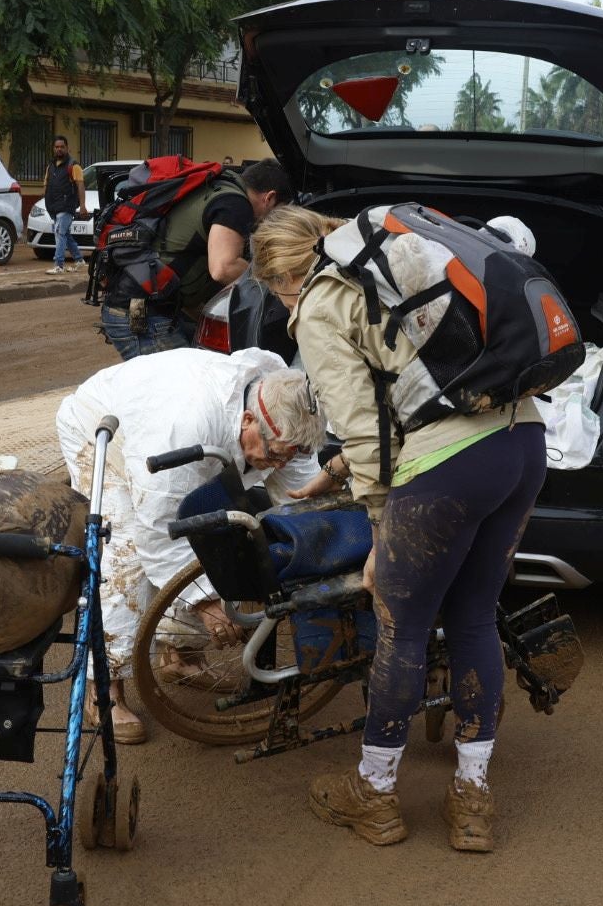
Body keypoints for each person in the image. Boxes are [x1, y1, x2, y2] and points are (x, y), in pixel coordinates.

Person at [248, 205, 549, 854]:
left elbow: (365, 426)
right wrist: (336, 472)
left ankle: (377, 794)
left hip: (447, 466)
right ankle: (473, 799)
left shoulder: (324, 301)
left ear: (281, 278)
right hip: (523, 443)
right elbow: (404, 387)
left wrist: (383, 530)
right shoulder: (395, 266)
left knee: (401, 623)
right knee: (473, 618)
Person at [55, 348, 325, 743]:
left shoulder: (287, 413)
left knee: (213, 532)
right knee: (124, 554)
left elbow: (300, 495)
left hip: (179, 432)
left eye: (285, 457)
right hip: (106, 425)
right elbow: (160, 533)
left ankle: (179, 655)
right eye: (273, 457)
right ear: (248, 420)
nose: (277, 465)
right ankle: (103, 688)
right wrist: (207, 604)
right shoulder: (183, 423)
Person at [97, 158, 294, 360]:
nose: (272, 222)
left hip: (142, 307)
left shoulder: (216, 187)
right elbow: (223, 268)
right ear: (269, 198)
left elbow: (188, 269)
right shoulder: (235, 203)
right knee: (179, 389)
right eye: (279, 211)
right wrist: (277, 281)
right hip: (142, 316)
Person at [43, 135, 87, 276]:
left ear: (67, 148)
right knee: (65, 234)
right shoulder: (50, 166)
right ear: (53, 149)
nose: (59, 149)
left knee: (59, 232)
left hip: (67, 205)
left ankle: (58, 265)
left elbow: (80, 185)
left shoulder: (74, 166)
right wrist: (46, 202)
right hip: (53, 206)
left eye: (62, 147)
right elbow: (46, 185)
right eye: (57, 147)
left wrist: (83, 205)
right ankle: (79, 260)